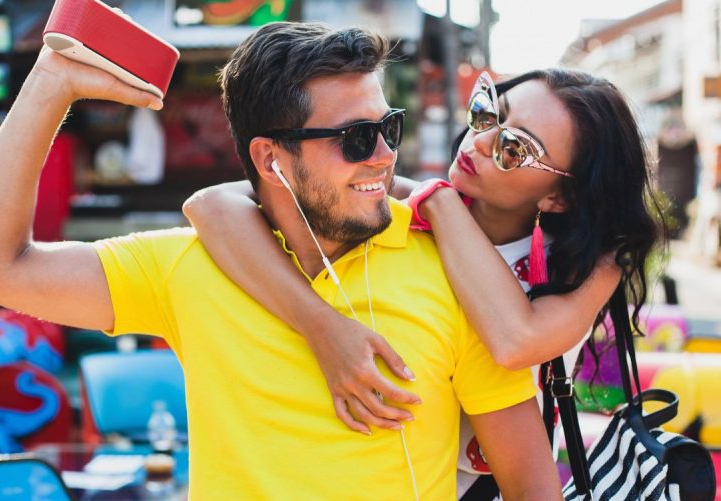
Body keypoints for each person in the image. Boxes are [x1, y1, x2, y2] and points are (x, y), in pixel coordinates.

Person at [0, 21, 562, 499]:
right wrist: (50, 84)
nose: (381, 157)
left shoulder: (453, 273)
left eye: (388, 128)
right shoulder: (191, 266)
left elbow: (531, 485)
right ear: (271, 160)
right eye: (354, 138)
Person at [182, 68, 665, 497]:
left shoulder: (592, 264)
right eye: (487, 111)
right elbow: (210, 205)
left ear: (560, 195)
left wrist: (437, 202)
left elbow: (516, 340)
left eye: (513, 148)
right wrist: (321, 326)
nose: (478, 141)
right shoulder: (401, 201)